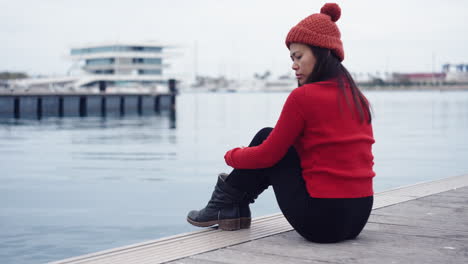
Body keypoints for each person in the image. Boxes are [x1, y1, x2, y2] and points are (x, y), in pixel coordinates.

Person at [187, 2, 375, 243]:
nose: (293, 65)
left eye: (299, 56)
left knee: (268, 139)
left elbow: (267, 155)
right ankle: (230, 205)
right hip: (358, 217)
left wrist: (231, 155)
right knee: (275, 139)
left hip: (320, 223)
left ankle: (227, 204)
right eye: (291, 58)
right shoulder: (357, 98)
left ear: (322, 52)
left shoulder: (303, 97)